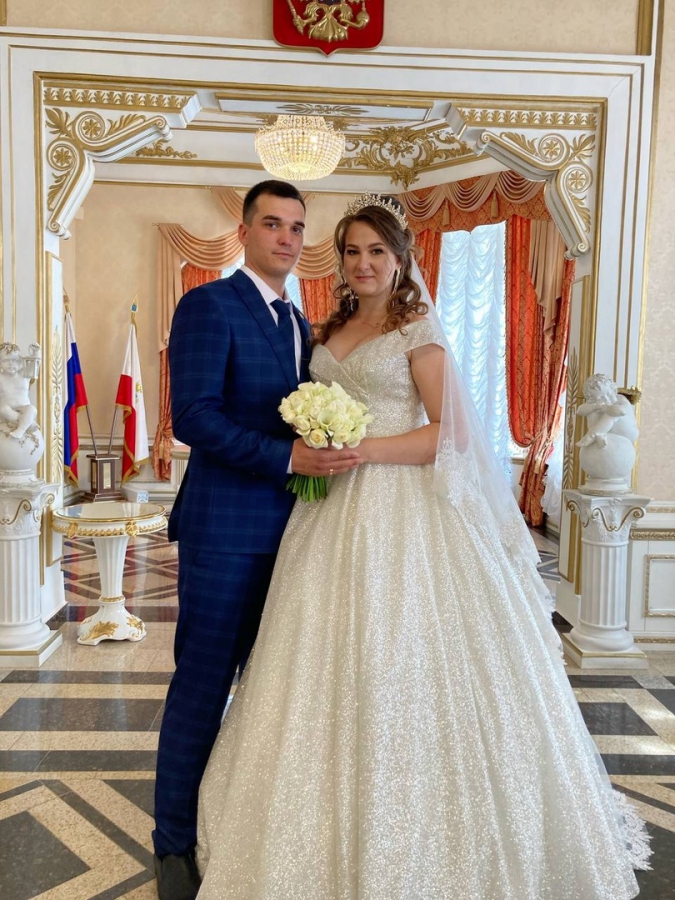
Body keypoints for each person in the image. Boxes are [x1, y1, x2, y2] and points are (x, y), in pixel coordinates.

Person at [195, 195, 649, 899]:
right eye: (352, 251)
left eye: (377, 251)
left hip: (401, 509)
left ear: (401, 258)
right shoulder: (327, 326)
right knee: (315, 653)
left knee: (400, 652)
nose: (364, 263)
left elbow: (448, 433)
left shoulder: (419, 330)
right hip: (323, 513)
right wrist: (320, 442)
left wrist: (360, 449)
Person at [153, 180, 361, 900]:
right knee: (203, 686)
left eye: (297, 227)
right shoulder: (209, 304)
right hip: (226, 531)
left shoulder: (298, 319)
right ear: (243, 232)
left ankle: (235, 827)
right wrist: (287, 457)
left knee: (272, 692)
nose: (286, 238)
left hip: (299, 534)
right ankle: (172, 844)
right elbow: (193, 415)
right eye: (272, 224)